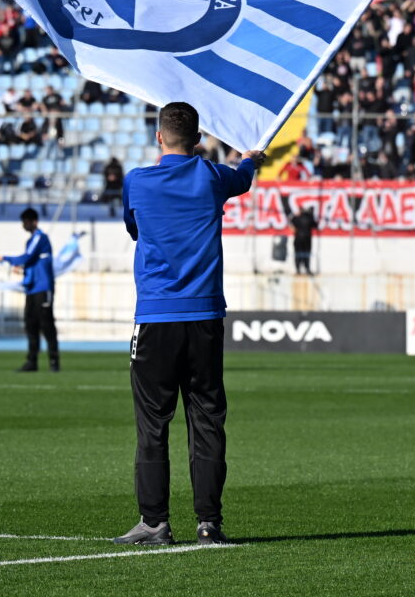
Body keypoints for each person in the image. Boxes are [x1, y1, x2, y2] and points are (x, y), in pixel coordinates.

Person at [113, 101, 265, 547]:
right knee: (206, 421)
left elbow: (134, 230)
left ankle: (155, 522)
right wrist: (253, 157)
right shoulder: (212, 176)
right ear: (199, 140)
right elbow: (243, 174)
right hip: (204, 318)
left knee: (152, 424)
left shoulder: (137, 182)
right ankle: (208, 523)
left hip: (157, 317)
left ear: (159, 137)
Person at [0, 208, 58, 372]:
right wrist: (22, 270)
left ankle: (54, 362)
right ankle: (32, 361)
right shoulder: (31, 240)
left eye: (26, 222)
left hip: (43, 288)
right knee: (31, 325)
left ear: (34, 221)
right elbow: (32, 263)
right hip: (32, 288)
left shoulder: (40, 237)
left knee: (47, 325)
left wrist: (4, 258)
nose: (24, 225)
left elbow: (27, 257)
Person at [290, 206, 318, 275]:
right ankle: (307, 268)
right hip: (307, 239)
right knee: (306, 254)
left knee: (298, 254)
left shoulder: (297, 217)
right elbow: (315, 225)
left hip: (298, 239)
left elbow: (291, 222)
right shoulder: (309, 217)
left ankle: (298, 269)